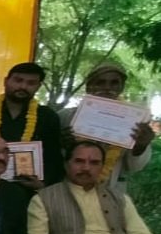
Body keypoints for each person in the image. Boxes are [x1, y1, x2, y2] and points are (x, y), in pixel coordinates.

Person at [27, 141, 161, 234]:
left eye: (94, 163)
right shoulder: (44, 198)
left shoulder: (119, 198)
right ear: (66, 164)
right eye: (79, 161)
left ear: (102, 167)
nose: (86, 168)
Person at [58, 63, 154, 193]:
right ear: (89, 87)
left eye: (114, 83)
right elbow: (51, 158)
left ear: (121, 87)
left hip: (111, 193)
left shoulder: (134, 121)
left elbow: (135, 167)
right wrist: (62, 146)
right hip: (68, 190)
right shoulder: (65, 117)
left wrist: (140, 146)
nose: (107, 88)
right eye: (100, 83)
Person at [0, 62, 63, 187]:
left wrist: (43, 184)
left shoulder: (48, 117)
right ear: (6, 81)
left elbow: (53, 157)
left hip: (31, 189)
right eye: (18, 80)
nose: (23, 86)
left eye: (31, 83)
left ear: (38, 86)